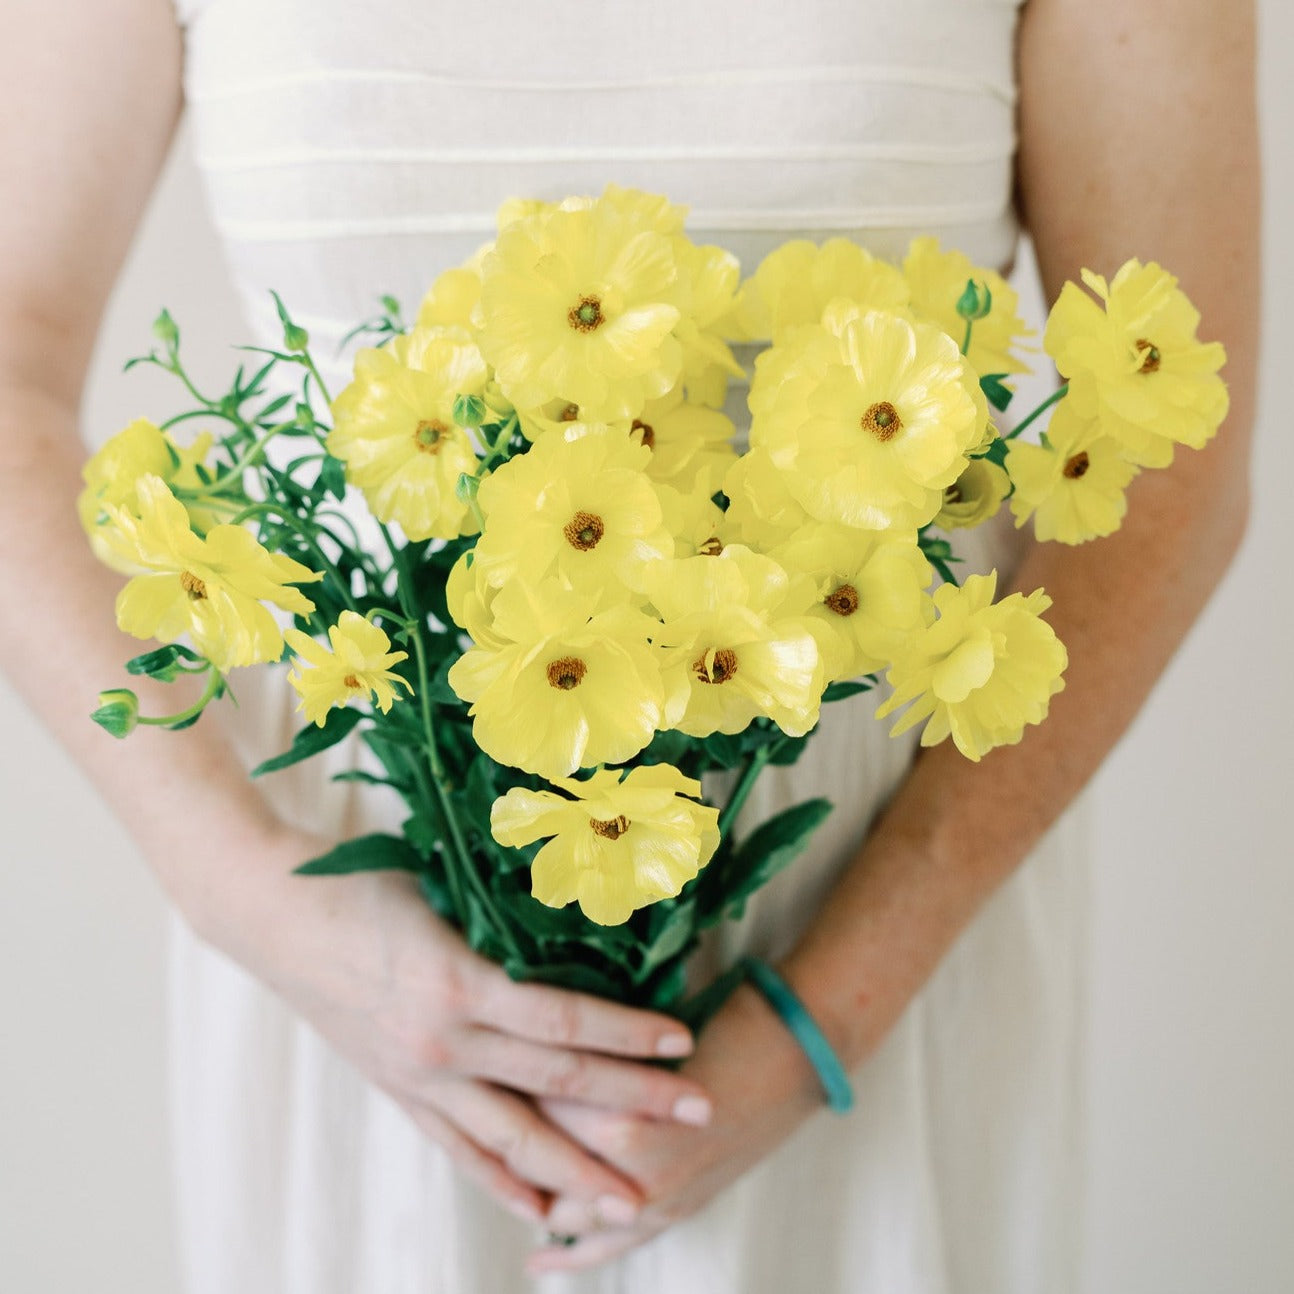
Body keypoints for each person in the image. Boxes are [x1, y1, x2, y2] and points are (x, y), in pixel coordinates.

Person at [0, 0, 1257, 1290]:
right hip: (368, 890)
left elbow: (1173, 465)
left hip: (870, 871)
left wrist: (835, 1004)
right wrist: (244, 888)